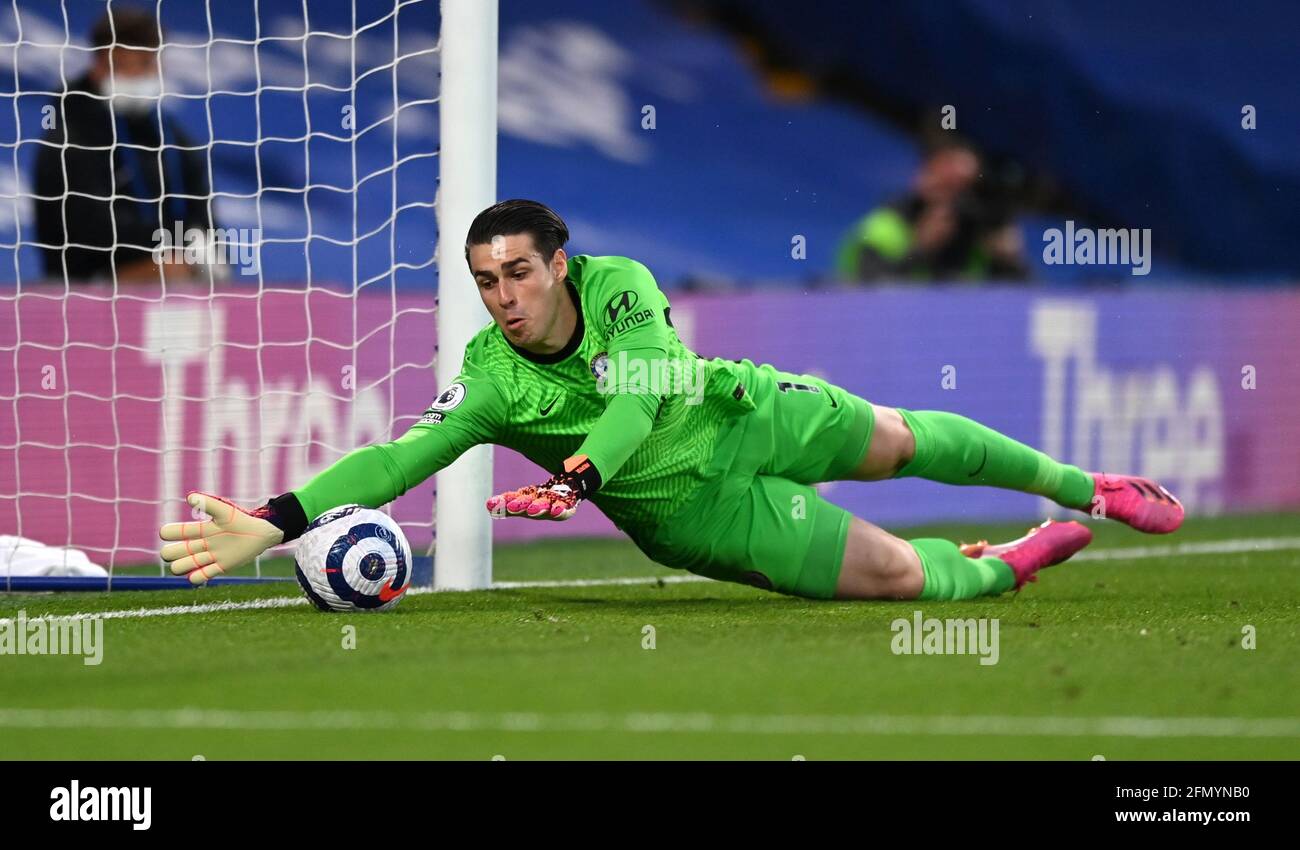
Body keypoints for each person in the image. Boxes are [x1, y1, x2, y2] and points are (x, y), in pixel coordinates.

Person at [159, 199, 1183, 601]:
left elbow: (639, 402)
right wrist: (272, 521)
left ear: (560, 264)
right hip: (696, 512)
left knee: (899, 436)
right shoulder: (489, 377)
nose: (503, 297)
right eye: (486, 280)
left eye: (517, 273)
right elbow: (393, 461)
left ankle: (1086, 484)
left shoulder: (623, 286)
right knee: (900, 578)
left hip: (738, 407)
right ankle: (999, 567)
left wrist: (579, 474)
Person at [33, 6, 213, 283]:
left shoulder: (171, 135)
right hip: (80, 283)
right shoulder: (68, 134)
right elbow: (91, 232)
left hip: (168, 261)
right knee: (173, 270)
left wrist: (209, 248)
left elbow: (205, 214)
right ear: (103, 64)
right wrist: (184, 241)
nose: (153, 73)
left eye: (155, 62)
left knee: (216, 273)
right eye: (142, 63)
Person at [836, 142, 1028, 283]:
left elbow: (1032, 311)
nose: (955, 201)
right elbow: (868, 298)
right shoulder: (881, 230)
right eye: (948, 185)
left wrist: (1010, 264)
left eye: (966, 190)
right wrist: (920, 250)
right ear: (923, 178)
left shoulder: (976, 240)